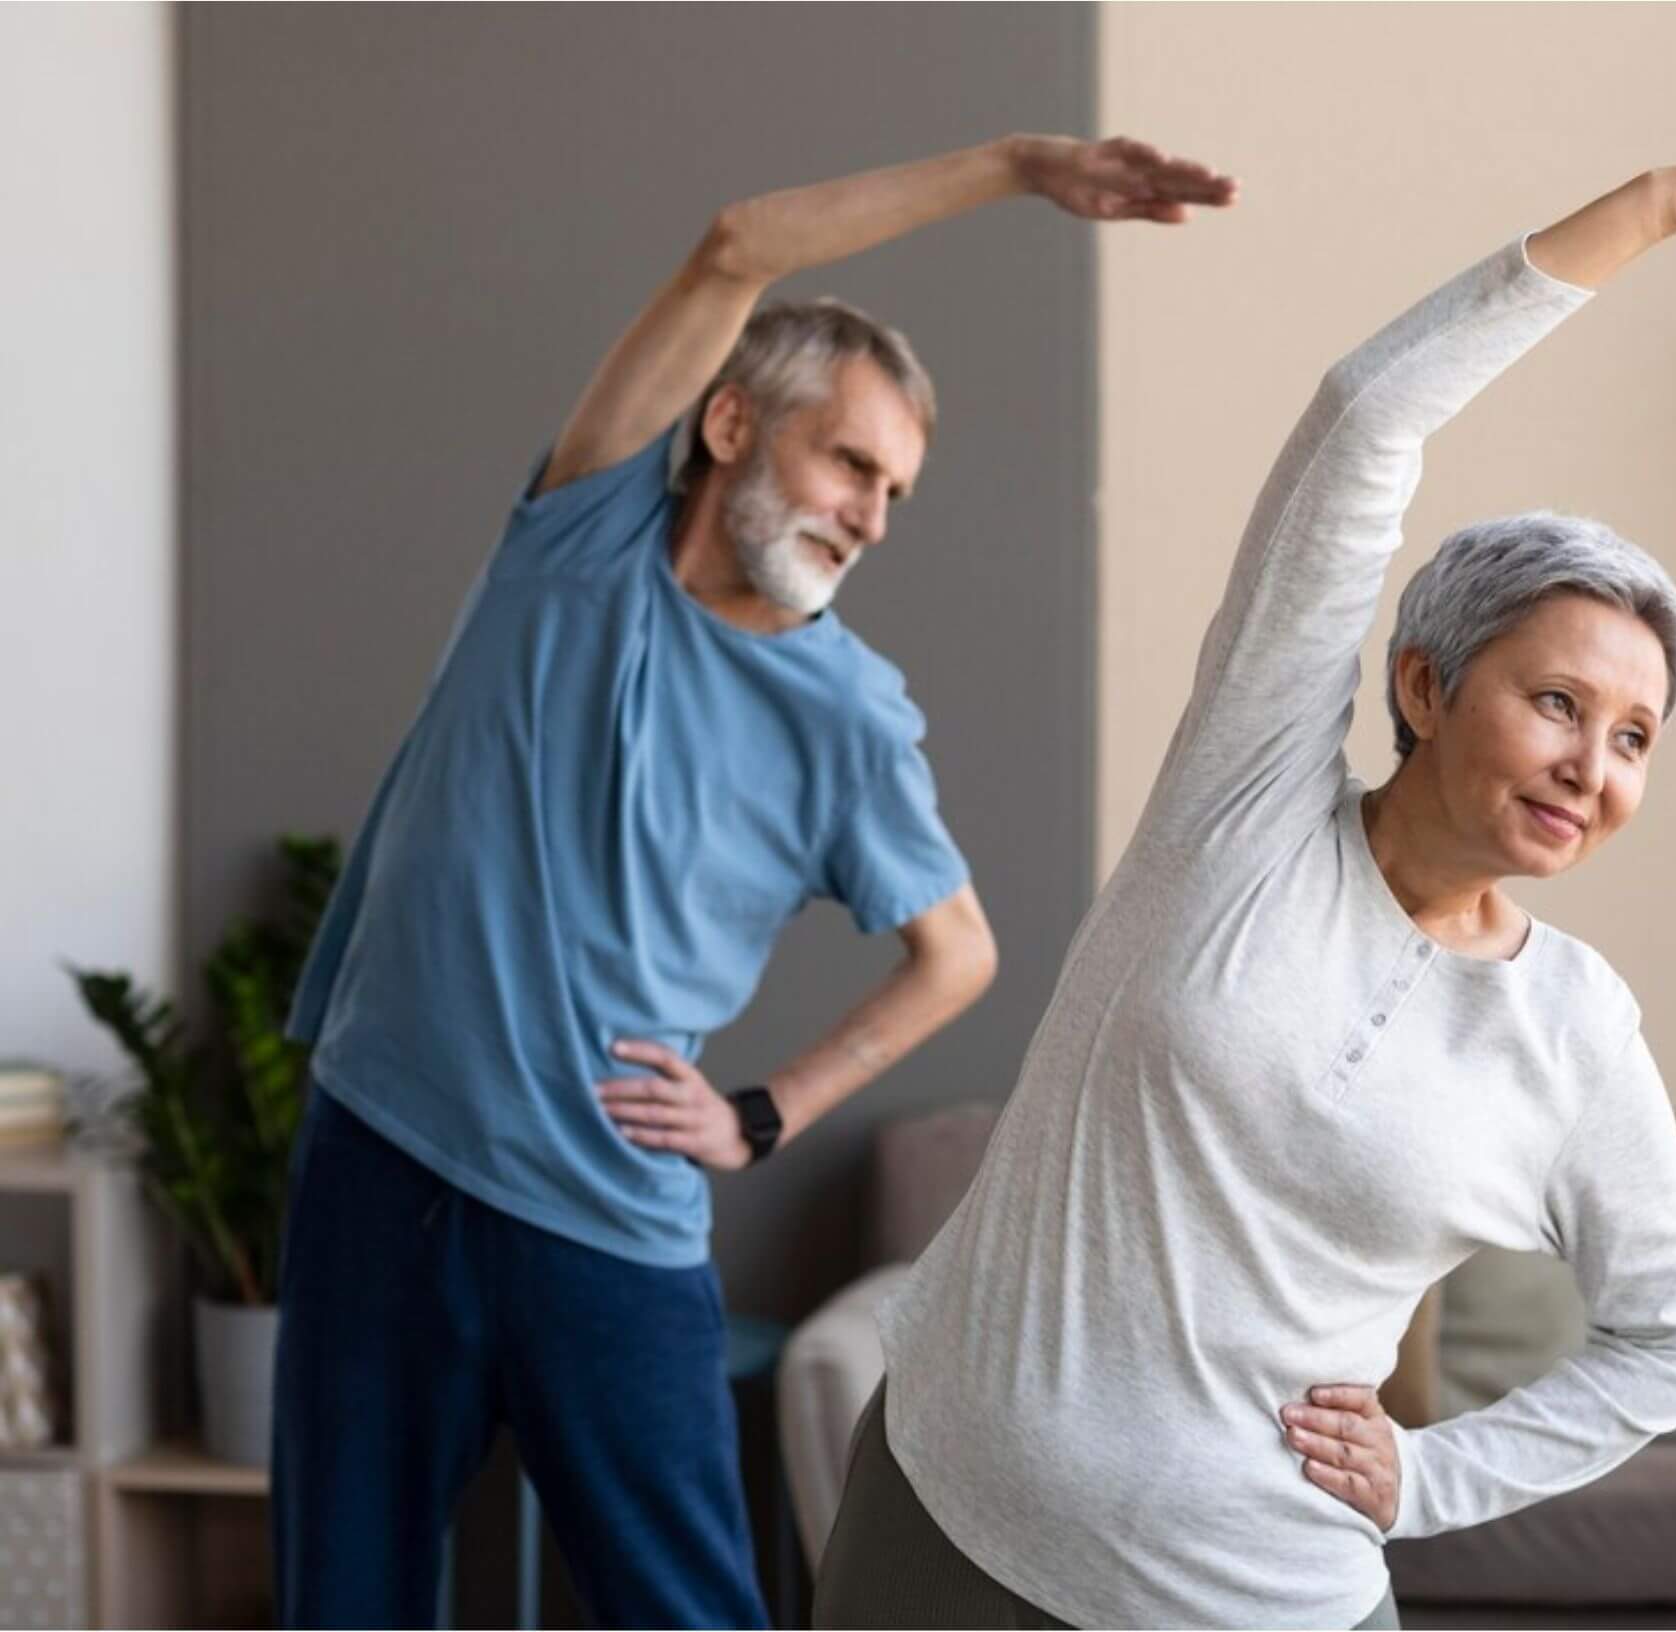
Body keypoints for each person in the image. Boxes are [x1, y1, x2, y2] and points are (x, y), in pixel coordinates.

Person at [811, 152, 1676, 1630]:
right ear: (1423, 681)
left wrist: (1434, 1477)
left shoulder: (1572, 1029)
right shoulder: (1246, 811)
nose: (1589, 765)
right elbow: (1368, 413)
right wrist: (1659, 208)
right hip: (946, 1532)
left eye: (1635, 738)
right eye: (1556, 701)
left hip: (1261, 1598)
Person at [270, 134, 1237, 1628]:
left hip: (602, 1222)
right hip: (381, 1160)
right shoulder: (577, 535)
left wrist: (762, 1112)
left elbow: (959, 952)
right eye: (851, 462)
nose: (869, 515)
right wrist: (1023, 170)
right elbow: (738, 245)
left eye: (896, 493)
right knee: (344, 1603)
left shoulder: (849, 715)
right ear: (729, 421)